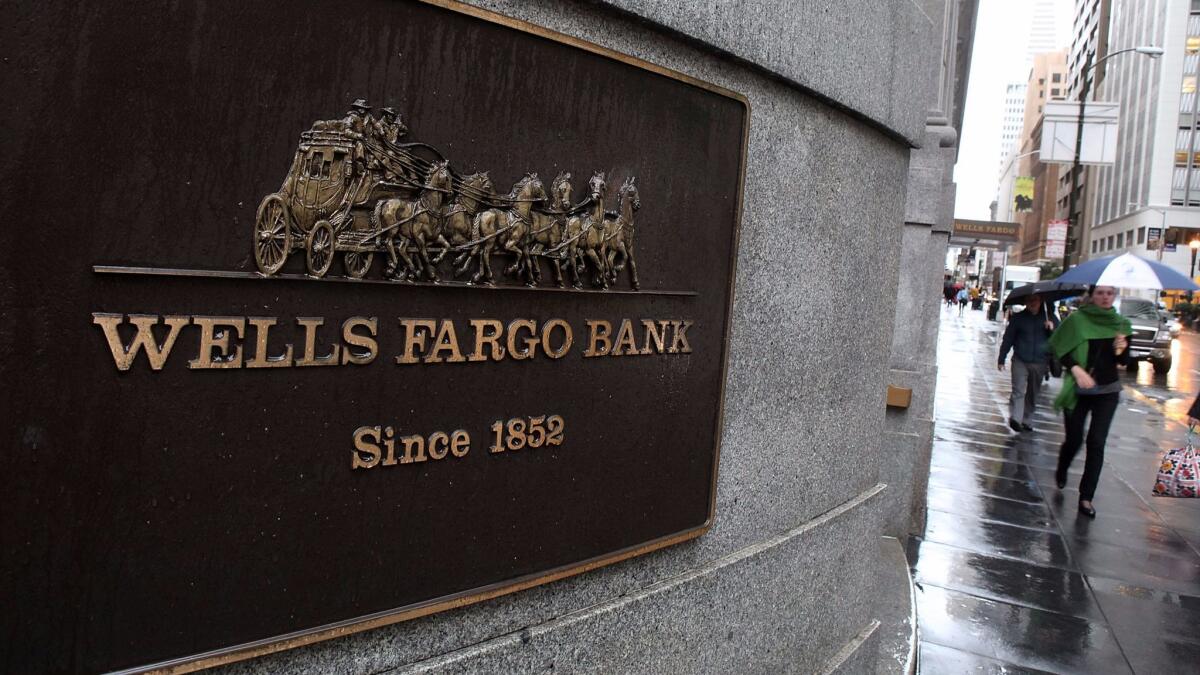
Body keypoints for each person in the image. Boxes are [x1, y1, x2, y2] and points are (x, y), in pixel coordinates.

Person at [1048, 285, 1132, 518]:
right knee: (1074, 439)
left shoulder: (1121, 324)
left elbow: (1124, 361)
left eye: (1110, 293)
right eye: (1100, 293)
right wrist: (1075, 369)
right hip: (1078, 389)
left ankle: (1086, 497)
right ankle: (1062, 467)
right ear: (1092, 296)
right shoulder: (1077, 320)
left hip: (1108, 390)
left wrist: (1121, 348)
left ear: (1114, 296)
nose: (1105, 297)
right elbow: (1058, 347)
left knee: (1097, 442)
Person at [998, 294, 1057, 432]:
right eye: (1029, 300)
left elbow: (1059, 339)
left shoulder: (1049, 318)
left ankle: (1027, 419)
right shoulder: (1018, 318)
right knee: (1018, 390)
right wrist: (1002, 358)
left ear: (1041, 301)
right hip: (1020, 360)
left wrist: (1051, 330)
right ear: (1025, 302)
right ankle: (1016, 418)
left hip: (1040, 362)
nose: (1032, 303)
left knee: (1032, 392)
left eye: (1035, 300)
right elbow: (1008, 338)